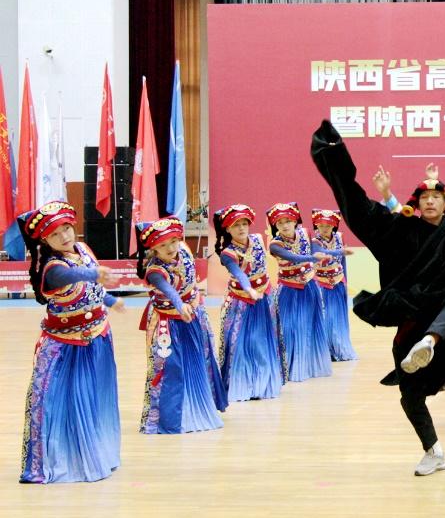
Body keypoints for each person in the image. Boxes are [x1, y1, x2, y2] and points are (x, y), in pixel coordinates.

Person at [310, 120, 445, 477]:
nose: (429, 201)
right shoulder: (401, 230)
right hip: (410, 325)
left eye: (436, 197)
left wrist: (429, 314)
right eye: (424, 197)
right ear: (416, 203)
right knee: (410, 396)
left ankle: (429, 342)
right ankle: (434, 451)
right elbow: (360, 209)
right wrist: (335, 158)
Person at [18, 201, 125, 483]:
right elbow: (70, 276)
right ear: (44, 240)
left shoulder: (83, 250)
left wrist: (111, 301)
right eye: (55, 234)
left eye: (66, 228)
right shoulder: (51, 267)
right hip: (65, 348)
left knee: (95, 400)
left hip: (97, 338)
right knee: (66, 404)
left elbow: (93, 289)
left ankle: (97, 454)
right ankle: (70, 461)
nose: (64, 236)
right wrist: (93, 273)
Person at [136, 217, 228, 434]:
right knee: (171, 367)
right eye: (162, 245)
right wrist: (180, 305)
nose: (170, 248)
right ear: (153, 249)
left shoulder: (183, 249)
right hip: (167, 322)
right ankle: (170, 418)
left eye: (173, 241)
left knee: (199, 359)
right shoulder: (155, 271)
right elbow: (169, 291)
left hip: (193, 314)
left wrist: (192, 303)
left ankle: (198, 406)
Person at [214, 204, 286, 401]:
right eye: (236, 225)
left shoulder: (257, 239)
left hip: (264, 298)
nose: (241, 228)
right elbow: (238, 273)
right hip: (242, 302)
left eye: (244, 224)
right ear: (228, 229)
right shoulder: (228, 253)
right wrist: (249, 289)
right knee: (243, 344)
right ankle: (243, 385)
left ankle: (264, 383)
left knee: (263, 341)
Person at [268, 203, 334, 382]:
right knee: (289, 328)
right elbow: (293, 257)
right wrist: (313, 258)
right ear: (275, 225)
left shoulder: (305, 233)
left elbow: (316, 249)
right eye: (280, 223)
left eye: (288, 221)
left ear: (295, 221)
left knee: (310, 326)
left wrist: (332, 252)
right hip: (288, 290)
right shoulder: (275, 244)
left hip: (310, 286)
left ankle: (309, 366)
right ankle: (289, 368)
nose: (285, 225)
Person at [312, 209, 357, 362]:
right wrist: (341, 252)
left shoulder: (339, 237)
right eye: (321, 225)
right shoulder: (315, 242)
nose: (325, 228)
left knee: (338, 317)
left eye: (328, 225)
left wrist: (346, 282)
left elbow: (343, 262)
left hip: (338, 283)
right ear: (317, 225)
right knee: (326, 318)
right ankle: (326, 351)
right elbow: (322, 252)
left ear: (334, 225)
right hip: (322, 285)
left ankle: (340, 348)